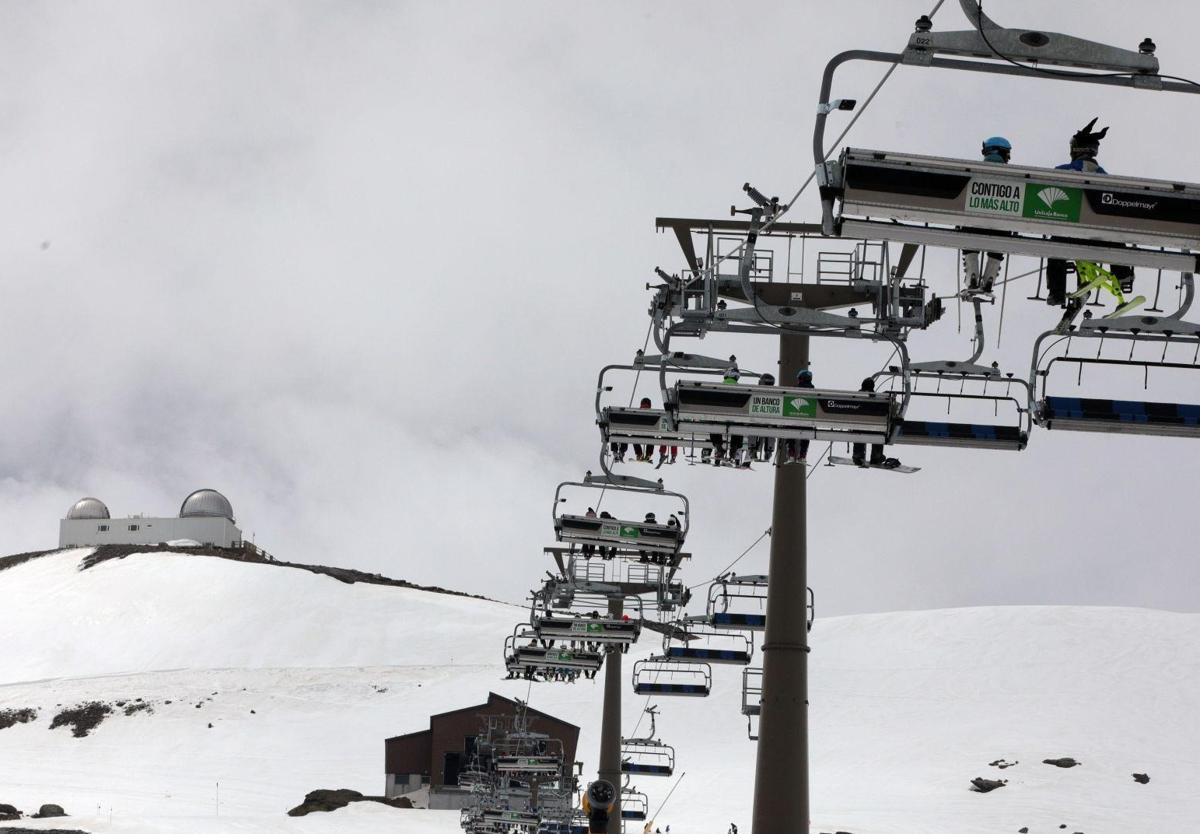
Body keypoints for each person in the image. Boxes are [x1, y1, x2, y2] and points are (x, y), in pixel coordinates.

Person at [1045, 118, 1134, 308]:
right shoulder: (1105, 176)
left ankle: (1056, 291)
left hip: (1070, 233)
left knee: (1054, 251)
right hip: (1100, 235)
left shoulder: (1064, 171)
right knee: (1115, 237)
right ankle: (1123, 275)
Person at [962, 136, 1012, 294]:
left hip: (974, 221)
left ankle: (972, 276)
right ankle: (990, 277)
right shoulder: (1012, 174)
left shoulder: (973, 170)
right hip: (1000, 225)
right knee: (999, 244)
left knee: (968, 240)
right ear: (1002, 152)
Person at [850, 377, 898, 468]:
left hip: (858, 427)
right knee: (880, 430)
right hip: (875, 428)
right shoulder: (878, 398)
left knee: (858, 428)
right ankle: (876, 456)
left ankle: (858, 455)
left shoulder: (855, 397)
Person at [784, 368, 814, 464]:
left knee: (788, 430)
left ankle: (791, 454)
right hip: (808, 421)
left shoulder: (795, 389)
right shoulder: (814, 391)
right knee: (807, 435)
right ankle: (802, 455)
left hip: (794, 420)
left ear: (801, 379)